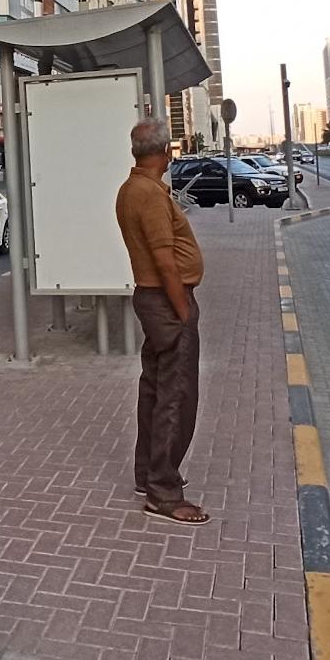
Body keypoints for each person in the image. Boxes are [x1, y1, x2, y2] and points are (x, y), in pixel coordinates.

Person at [115, 118, 208, 525]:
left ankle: (148, 474)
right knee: (176, 396)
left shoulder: (133, 188)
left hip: (154, 301)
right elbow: (165, 259)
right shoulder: (148, 194)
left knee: (154, 389)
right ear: (164, 152)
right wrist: (183, 310)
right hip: (167, 302)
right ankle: (164, 492)